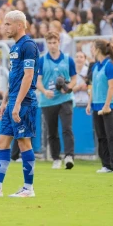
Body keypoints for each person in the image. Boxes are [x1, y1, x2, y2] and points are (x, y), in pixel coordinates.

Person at [0, 10, 39, 197]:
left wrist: (17, 103)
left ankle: (28, 188)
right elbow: (14, 78)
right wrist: (5, 101)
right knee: (2, 142)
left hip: (24, 102)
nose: (4, 27)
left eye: (8, 24)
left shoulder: (29, 45)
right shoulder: (14, 47)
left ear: (19, 25)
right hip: (12, 101)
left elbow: (28, 77)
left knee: (24, 143)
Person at [37, 31, 76, 169]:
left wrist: (68, 87)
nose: (52, 45)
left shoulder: (68, 59)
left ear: (59, 42)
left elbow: (74, 78)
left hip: (65, 99)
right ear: (46, 44)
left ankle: (69, 156)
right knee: (52, 131)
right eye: (49, 43)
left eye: (54, 42)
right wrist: (44, 91)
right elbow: (38, 81)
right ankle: (56, 158)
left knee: (67, 128)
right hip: (48, 100)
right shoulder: (41, 60)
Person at [86, 39, 113, 174]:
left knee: (111, 135)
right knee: (101, 136)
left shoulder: (109, 65)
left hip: (108, 105)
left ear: (97, 49)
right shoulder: (95, 66)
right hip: (96, 105)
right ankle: (106, 165)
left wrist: (107, 105)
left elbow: (111, 87)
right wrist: (89, 103)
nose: (91, 50)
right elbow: (93, 86)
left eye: (92, 47)